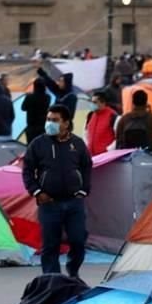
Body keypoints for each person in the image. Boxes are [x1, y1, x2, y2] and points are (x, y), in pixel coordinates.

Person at [21, 104, 92, 278]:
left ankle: (73, 271)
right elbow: (27, 170)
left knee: (78, 241)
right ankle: (52, 281)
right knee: (50, 245)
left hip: (74, 202)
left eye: (55, 120)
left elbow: (87, 166)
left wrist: (84, 190)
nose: (50, 123)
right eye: (48, 119)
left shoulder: (77, 144)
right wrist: (37, 191)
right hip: (49, 203)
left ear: (66, 123)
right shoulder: (38, 144)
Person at [116, 89, 152, 154]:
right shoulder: (151, 117)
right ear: (146, 102)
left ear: (133, 102)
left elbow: (118, 138)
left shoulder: (124, 119)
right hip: (149, 154)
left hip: (128, 155)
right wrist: (151, 112)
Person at [84, 91, 118, 155]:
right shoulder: (90, 115)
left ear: (103, 103)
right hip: (91, 156)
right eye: (91, 102)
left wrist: (108, 150)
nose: (91, 104)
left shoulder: (113, 116)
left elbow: (118, 138)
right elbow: (85, 133)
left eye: (94, 102)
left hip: (106, 157)